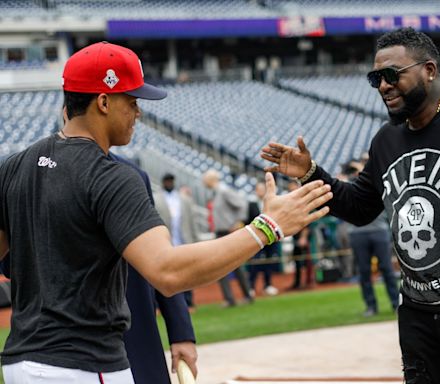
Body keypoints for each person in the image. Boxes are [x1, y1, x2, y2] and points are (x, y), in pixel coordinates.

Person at [0, 41, 333, 383]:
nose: (138, 112)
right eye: (131, 102)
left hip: (20, 361)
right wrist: (267, 227)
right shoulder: (111, 175)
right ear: (103, 102)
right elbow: (167, 271)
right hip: (84, 364)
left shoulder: (15, 165)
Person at [261, 27, 440, 384]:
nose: (383, 86)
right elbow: (360, 208)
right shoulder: (387, 139)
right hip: (420, 318)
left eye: (392, 75)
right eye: (376, 78)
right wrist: (311, 173)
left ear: (430, 70)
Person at [110, 156, 197, 384]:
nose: (137, 117)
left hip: (136, 328)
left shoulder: (132, 174)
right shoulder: (30, 170)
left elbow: (160, 256)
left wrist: (180, 332)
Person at [343, 159, 399, 317]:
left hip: (379, 231)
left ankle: (396, 304)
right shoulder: (349, 185)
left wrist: (362, 171)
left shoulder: (376, 180)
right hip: (357, 233)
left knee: (387, 270)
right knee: (364, 272)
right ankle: (371, 306)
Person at [202, 169, 254, 307]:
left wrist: (238, 222)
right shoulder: (214, 194)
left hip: (228, 232)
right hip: (220, 233)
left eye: (205, 179)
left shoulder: (223, 191)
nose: (203, 182)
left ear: (211, 179)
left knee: (236, 265)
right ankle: (230, 299)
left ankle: (246, 295)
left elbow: (242, 205)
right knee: (222, 267)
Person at [154, 173, 200, 310]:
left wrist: (195, 240)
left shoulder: (184, 199)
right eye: (167, 181)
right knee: (163, 275)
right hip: (166, 241)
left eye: (171, 181)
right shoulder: (157, 198)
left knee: (187, 274)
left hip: (183, 240)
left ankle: (189, 302)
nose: (169, 183)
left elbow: (192, 222)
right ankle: (161, 305)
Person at [246, 181, 279, 296]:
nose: (260, 191)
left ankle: (268, 285)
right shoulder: (251, 204)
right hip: (256, 239)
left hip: (271, 238)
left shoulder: (271, 203)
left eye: (262, 189)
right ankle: (251, 287)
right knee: (255, 263)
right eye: (258, 189)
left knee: (269, 262)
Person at [287, 180, 315, 290]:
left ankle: (308, 282)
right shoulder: (292, 201)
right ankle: (298, 283)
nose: (291, 190)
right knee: (297, 260)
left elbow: (307, 222)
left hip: (305, 235)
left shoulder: (304, 200)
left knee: (307, 260)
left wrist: (303, 237)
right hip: (296, 234)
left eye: (293, 187)